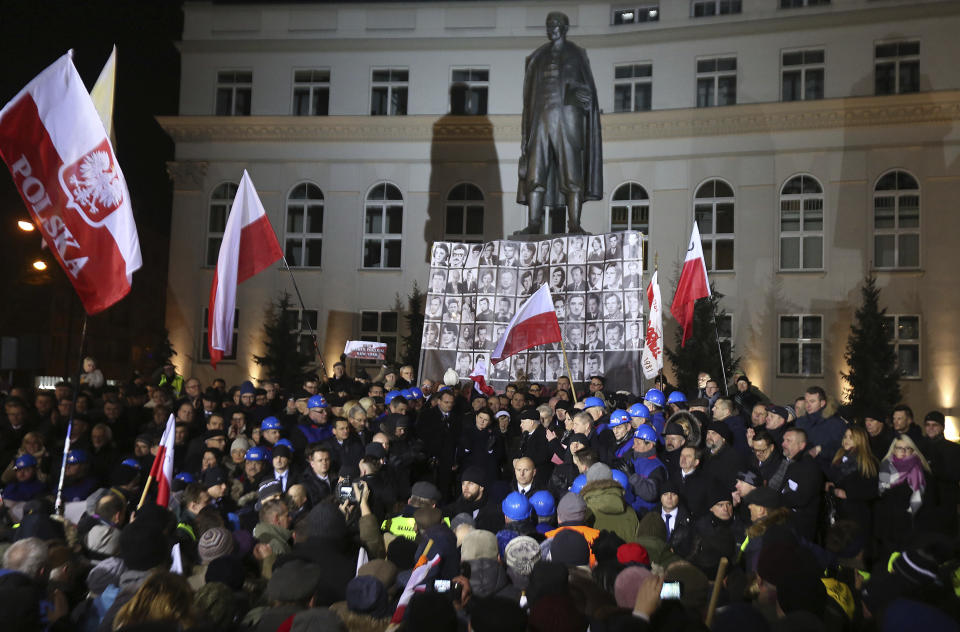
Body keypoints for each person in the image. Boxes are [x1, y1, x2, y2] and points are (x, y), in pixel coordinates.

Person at [516, 11, 602, 234]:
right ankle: (534, 223)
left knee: (572, 174)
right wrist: (525, 136)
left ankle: (574, 224)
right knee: (535, 175)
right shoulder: (537, 57)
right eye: (548, 24)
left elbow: (588, 92)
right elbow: (527, 100)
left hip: (567, 122)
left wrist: (580, 96)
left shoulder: (577, 54)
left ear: (565, 27)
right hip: (540, 121)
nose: (551, 27)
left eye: (555, 24)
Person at [875, 433, 931, 558]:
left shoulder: (921, 470)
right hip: (888, 524)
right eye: (899, 448)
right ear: (893, 449)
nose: (903, 451)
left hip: (912, 523)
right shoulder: (886, 466)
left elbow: (927, 499)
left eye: (907, 448)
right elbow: (881, 493)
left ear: (913, 450)